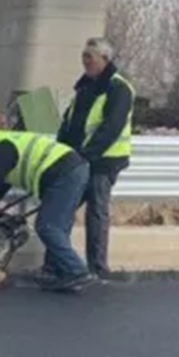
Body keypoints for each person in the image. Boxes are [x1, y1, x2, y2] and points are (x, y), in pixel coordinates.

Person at [0, 126, 91, 291]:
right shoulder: (9, 145)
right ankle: (54, 270)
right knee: (58, 227)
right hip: (70, 170)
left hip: (64, 172)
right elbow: (0, 185)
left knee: (47, 226)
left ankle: (76, 271)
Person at [55, 36, 134, 280]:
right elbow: (70, 124)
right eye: (84, 56)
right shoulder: (84, 88)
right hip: (77, 160)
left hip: (104, 161)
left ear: (105, 59)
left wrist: (86, 155)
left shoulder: (118, 88)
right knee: (62, 210)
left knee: (96, 212)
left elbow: (111, 128)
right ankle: (59, 265)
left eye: (90, 57)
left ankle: (97, 268)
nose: (85, 61)